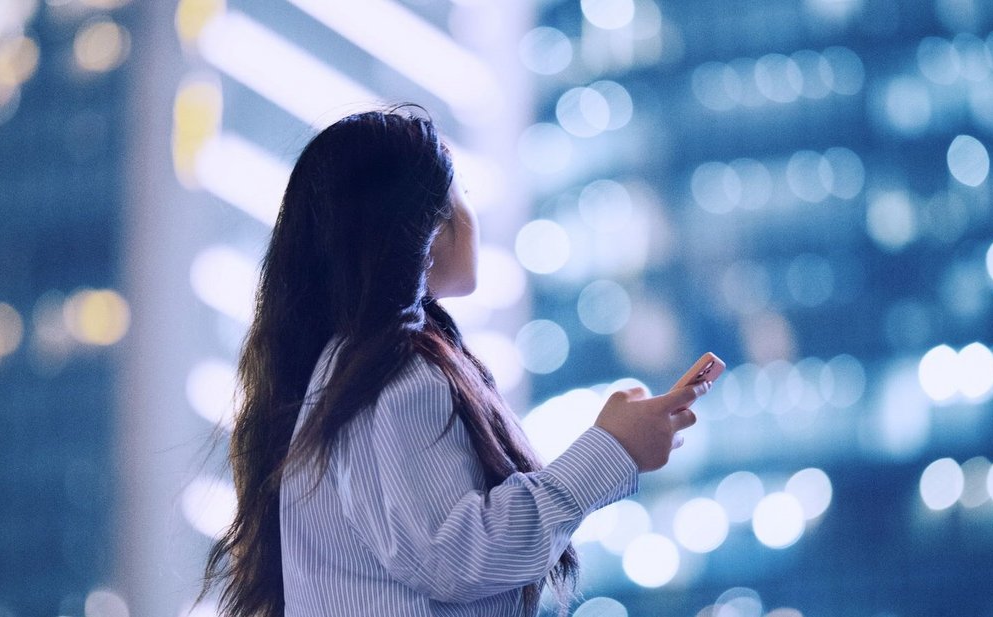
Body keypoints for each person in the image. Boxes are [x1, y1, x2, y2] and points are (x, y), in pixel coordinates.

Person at [198, 106, 712, 617]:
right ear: (425, 232)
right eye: (458, 191)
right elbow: (456, 555)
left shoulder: (347, 369)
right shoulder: (394, 375)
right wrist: (614, 449)